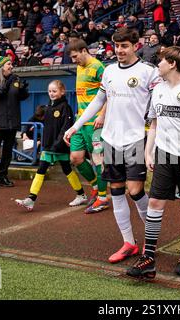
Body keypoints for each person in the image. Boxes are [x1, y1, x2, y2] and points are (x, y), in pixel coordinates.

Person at [63, 28, 161, 264]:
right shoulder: (108, 71)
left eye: (124, 46)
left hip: (137, 138)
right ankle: (129, 243)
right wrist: (76, 126)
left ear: (135, 46)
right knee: (116, 190)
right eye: (116, 46)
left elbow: (159, 105)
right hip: (111, 139)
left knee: (135, 190)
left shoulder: (149, 72)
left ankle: (151, 238)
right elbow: (98, 101)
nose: (119, 50)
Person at [126, 46, 180, 279]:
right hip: (163, 155)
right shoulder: (159, 90)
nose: (157, 64)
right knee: (155, 203)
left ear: (172, 64)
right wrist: (148, 152)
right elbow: (154, 124)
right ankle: (148, 257)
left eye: (161, 61)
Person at [15, 80, 86, 211]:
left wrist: (58, 143)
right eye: (49, 91)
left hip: (59, 147)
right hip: (48, 147)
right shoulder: (47, 108)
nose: (51, 94)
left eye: (54, 91)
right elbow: (33, 119)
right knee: (42, 170)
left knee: (66, 170)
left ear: (62, 91)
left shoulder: (66, 107)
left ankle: (81, 195)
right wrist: (25, 131)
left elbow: (66, 127)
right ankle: (31, 199)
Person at [69, 39, 109, 212]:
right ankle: (94, 186)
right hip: (81, 121)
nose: (74, 60)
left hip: (96, 124)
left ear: (84, 50)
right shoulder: (79, 67)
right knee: (76, 158)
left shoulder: (99, 67)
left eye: (75, 56)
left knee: (98, 160)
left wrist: (102, 114)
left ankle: (102, 197)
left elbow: (109, 92)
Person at [0, 56, 29, 191]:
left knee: (7, 152)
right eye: (9, 64)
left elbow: (22, 97)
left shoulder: (15, 79)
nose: (11, 66)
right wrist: (5, 85)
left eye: (11, 64)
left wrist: (23, 90)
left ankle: (3, 177)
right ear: (2, 66)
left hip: (12, 122)